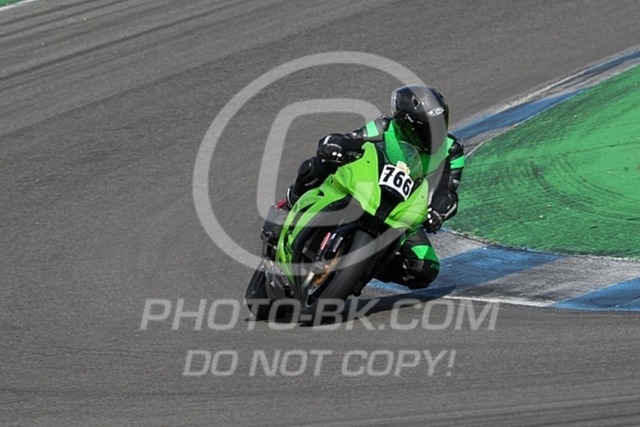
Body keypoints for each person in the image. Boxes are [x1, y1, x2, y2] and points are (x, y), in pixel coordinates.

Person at [262, 84, 465, 289]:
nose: (434, 134)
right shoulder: (385, 127)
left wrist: (437, 211)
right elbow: (353, 140)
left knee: (425, 268)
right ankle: (288, 205)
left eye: (439, 124)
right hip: (366, 186)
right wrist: (336, 143)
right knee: (321, 161)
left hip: (402, 209)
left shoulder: (452, 150)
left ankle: (361, 269)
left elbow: (447, 192)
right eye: (424, 128)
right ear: (404, 122)